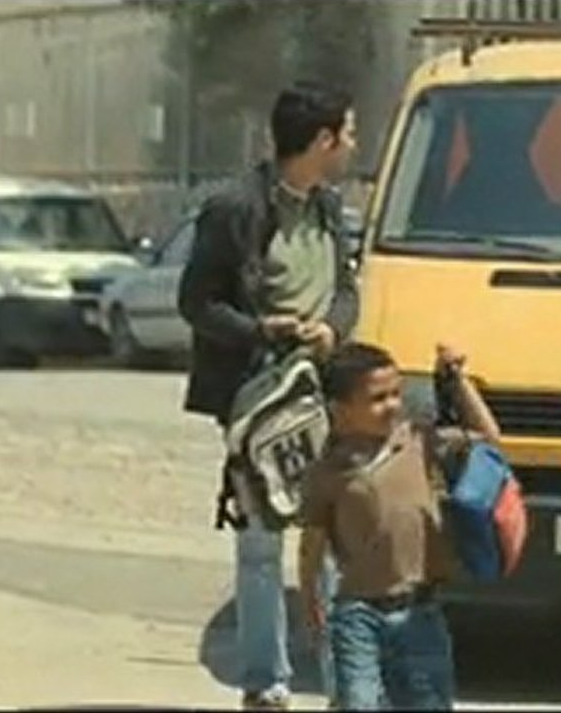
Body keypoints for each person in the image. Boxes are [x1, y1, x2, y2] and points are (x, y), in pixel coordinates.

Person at [177, 81, 360, 710]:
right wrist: (264, 331)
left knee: (336, 540)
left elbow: (347, 290)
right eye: (348, 134)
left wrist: (332, 328)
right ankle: (266, 682)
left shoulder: (330, 210)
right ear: (322, 140)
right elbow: (197, 303)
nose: (353, 146)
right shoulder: (234, 210)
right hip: (259, 397)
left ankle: (347, 684)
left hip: (323, 393)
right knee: (261, 541)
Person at [298, 341, 501, 710]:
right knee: (358, 702)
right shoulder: (327, 472)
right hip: (357, 615)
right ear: (340, 409)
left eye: (396, 394)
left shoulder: (418, 441)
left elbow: (489, 437)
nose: (392, 405)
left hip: (420, 611)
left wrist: (457, 381)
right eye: (377, 398)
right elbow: (311, 542)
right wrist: (310, 600)